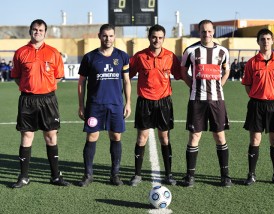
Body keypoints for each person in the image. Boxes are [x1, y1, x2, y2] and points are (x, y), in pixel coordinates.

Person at [10, 19, 69, 188]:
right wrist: (29, 87)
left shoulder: (53, 52)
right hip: (27, 99)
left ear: (45, 32)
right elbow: (16, 76)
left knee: (51, 135)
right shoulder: (20, 52)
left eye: (41, 30)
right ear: (30, 31)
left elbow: (58, 76)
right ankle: (24, 177)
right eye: (35, 29)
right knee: (27, 136)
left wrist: (45, 87)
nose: (37, 32)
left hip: (48, 99)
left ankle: (55, 176)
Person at [180, 19, 233, 187]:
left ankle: (225, 176)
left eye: (209, 31)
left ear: (214, 32)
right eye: (203, 31)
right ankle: (190, 176)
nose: (207, 34)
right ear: (199, 32)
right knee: (195, 136)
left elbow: (227, 70)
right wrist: (193, 86)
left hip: (217, 100)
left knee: (219, 135)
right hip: (197, 100)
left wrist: (220, 85)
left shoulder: (223, 51)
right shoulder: (190, 50)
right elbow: (183, 71)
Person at [77, 24, 131, 187]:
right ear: (99, 36)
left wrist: (128, 103)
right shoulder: (89, 57)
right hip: (95, 105)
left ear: (115, 37)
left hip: (115, 104)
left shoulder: (122, 56)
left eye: (111, 36)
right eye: (105, 36)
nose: (108, 39)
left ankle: (115, 175)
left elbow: (127, 81)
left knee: (116, 136)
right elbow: (81, 83)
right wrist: (81, 105)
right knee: (92, 136)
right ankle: (88, 175)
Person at [129, 24, 181, 186]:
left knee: (164, 138)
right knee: (141, 137)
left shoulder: (171, 57)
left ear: (164, 39)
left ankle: (168, 174)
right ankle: (137, 174)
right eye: (154, 37)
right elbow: (126, 77)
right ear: (149, 37)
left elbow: (180, 75)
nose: (157, 40)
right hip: (144, 102)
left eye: (160, 38)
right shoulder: (139, 57)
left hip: (164, 102)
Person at [242, 28, 274, 186]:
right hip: (256, 104)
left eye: (268, 39)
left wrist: (271, 94)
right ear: (258, 42)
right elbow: (247, 85)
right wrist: (259, 95)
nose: (266, 41)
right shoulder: (252, 62)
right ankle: (251, 174)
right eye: (262, 39)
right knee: (255, 139)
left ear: (272, 41)